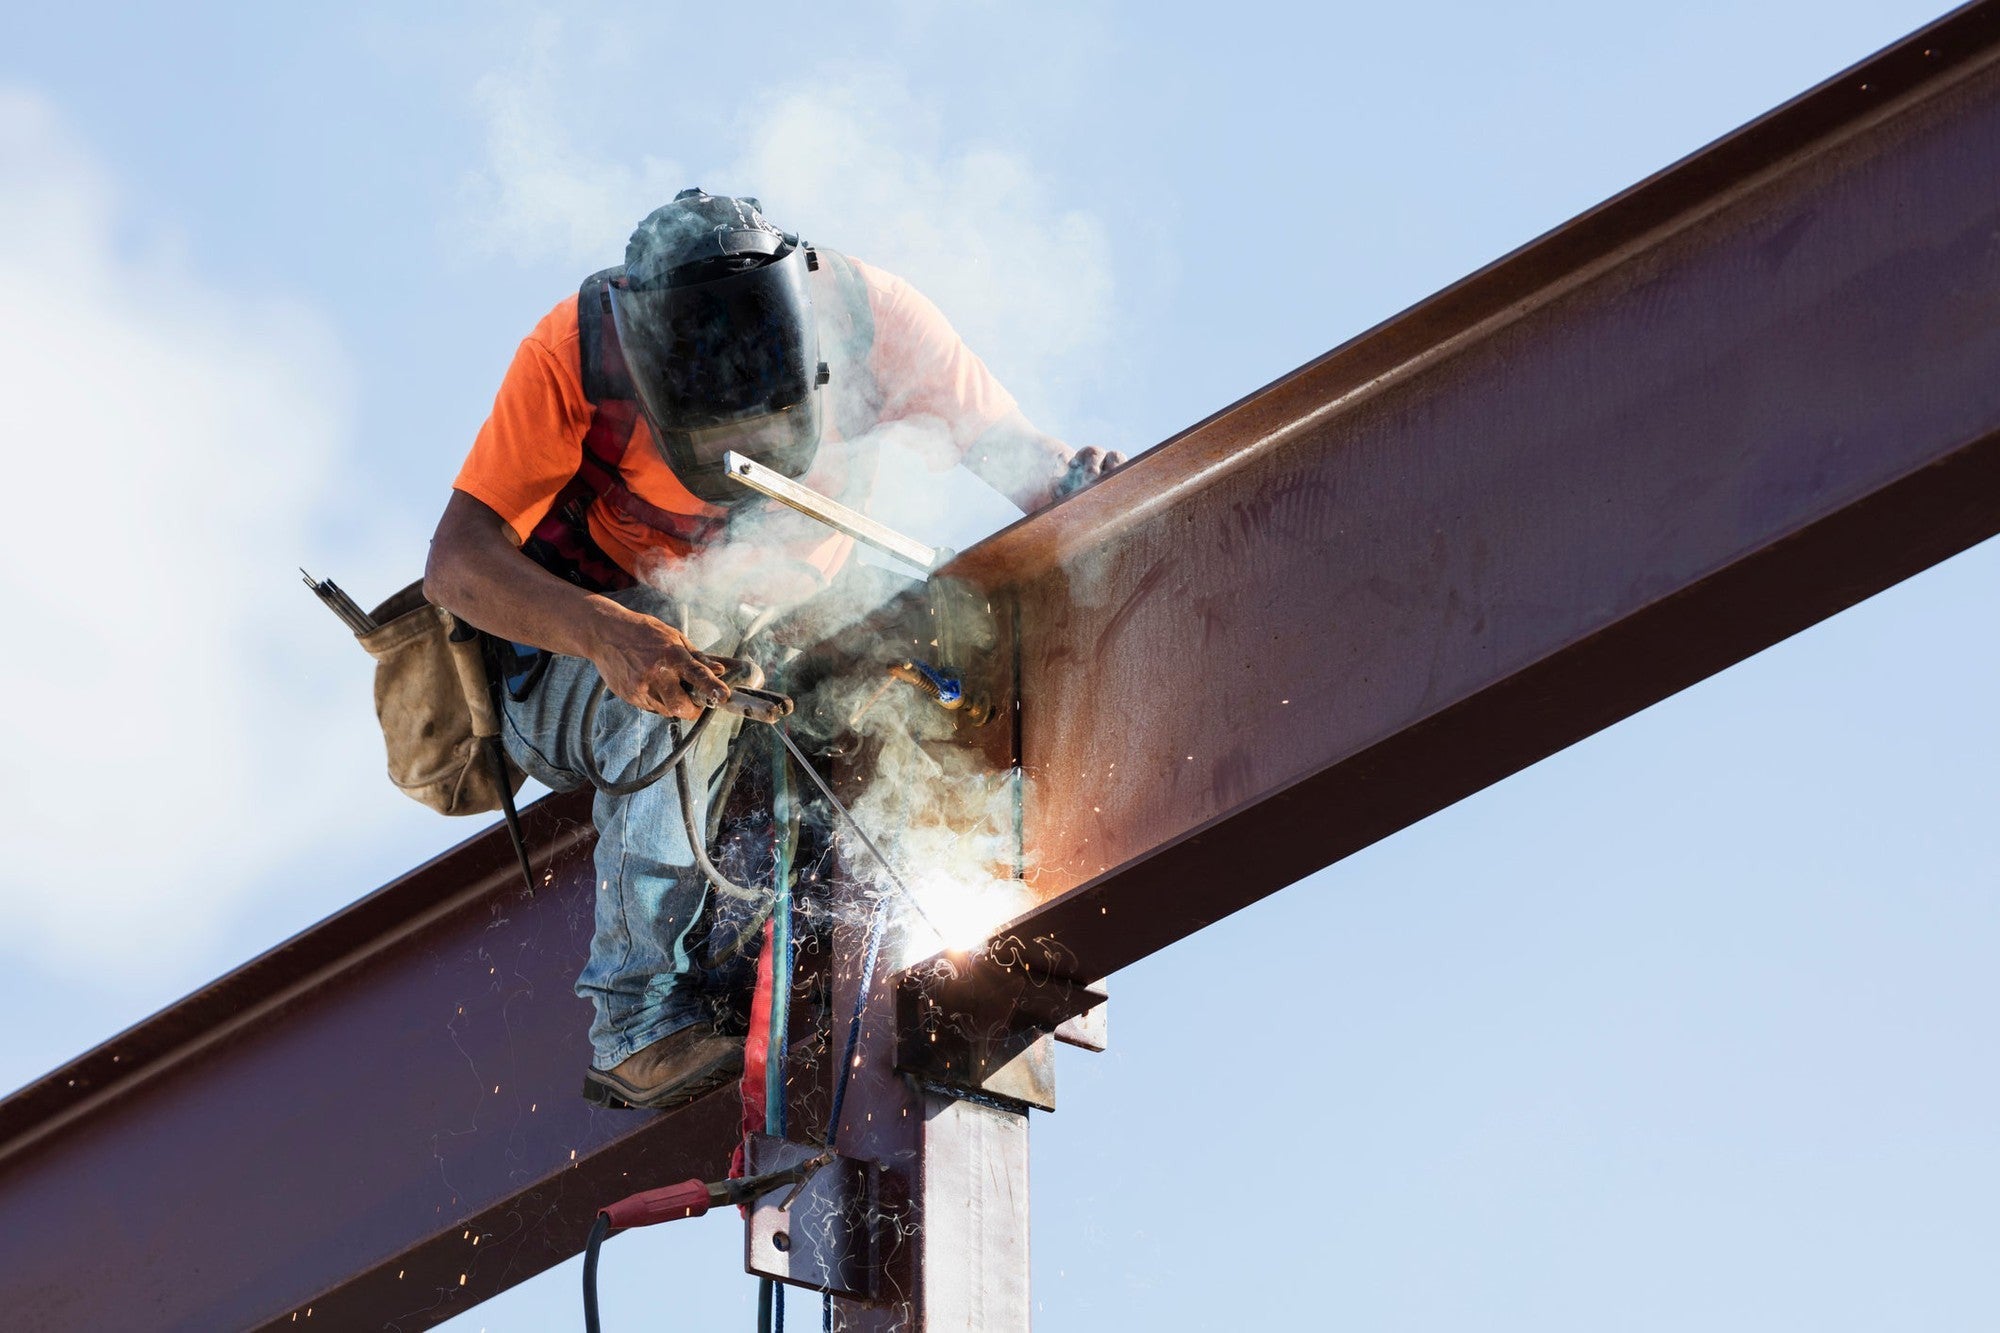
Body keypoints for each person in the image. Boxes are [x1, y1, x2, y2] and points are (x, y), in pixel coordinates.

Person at [424, 189, 1122, 1111]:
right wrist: (607, 633)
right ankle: (635, 1018)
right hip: (574, 669)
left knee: (924, 655)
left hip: (770, 647)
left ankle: (918, 923)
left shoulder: (876, 326)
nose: (747, 456)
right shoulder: (576, 358)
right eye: (719, 444)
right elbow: (455, 564)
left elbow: (1022, 463)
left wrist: (1092, 493)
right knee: (684, 671)